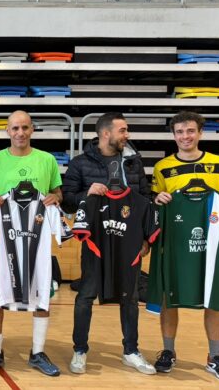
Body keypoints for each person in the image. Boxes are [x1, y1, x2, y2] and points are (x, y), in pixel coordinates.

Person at [61, 112, 155, 375]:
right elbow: (67, 201)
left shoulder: (134, 162)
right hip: (96, 240)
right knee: (86, 295)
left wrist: (145, 238)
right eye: (122, 130)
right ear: (106, 133)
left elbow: (146, 199)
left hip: (128, 240)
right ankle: (80, 350)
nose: (127, 135)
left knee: (130, 298)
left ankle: (131, 351)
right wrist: (87, 193)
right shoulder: (80, 163)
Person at [151, 111, 219, 382]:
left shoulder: (218, 163)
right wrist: (158, 199)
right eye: (179, 132)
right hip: (176, 243)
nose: (185, 136)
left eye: (190, 131)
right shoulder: (162, 167)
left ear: (200, 133)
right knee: (168, 298)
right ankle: (168, 351)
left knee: (213, 299)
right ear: (173, 135)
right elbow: (155, 203)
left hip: (211, 244)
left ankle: (215, 356)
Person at [0, 111, 64, 377]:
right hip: (7, 244)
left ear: (32, 129)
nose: (20, 133)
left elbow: (58, 193)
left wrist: (55, 198)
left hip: (37, 244)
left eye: (25, 127)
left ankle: (38, 352)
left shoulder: (47, 160)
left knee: (43, 295)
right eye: (15, 128)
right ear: (7, 130)